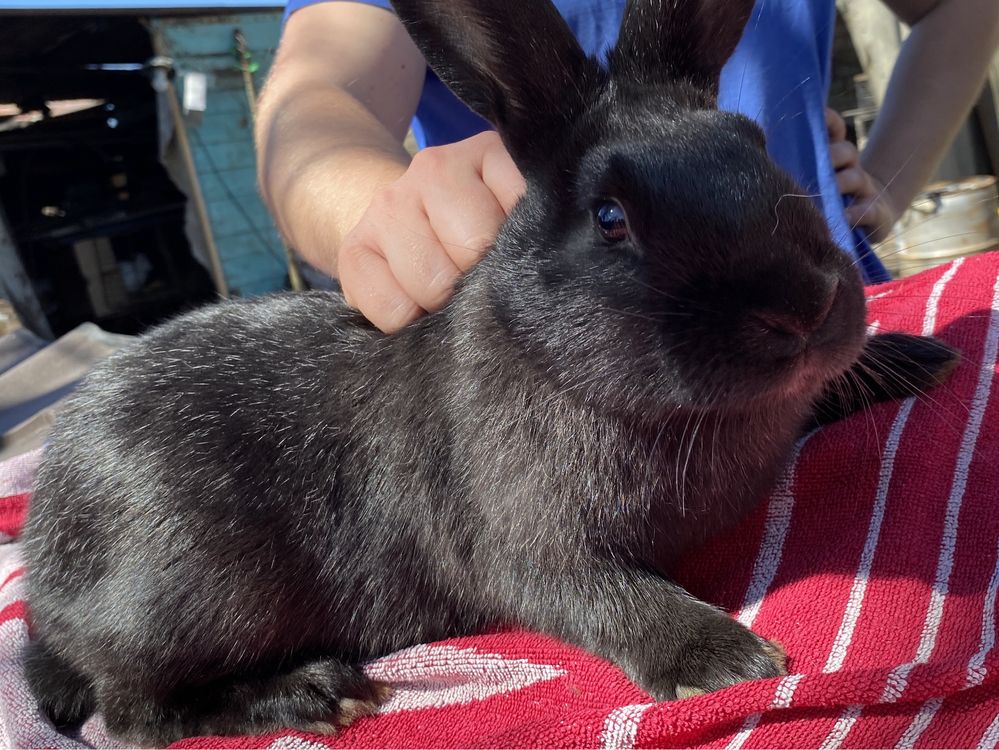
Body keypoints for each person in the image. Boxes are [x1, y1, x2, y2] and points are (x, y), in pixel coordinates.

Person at [256, 0, 999, 333]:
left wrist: (890, 181)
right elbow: (316, 101)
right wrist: (389, 212)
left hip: (832, 324)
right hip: (610, 369)